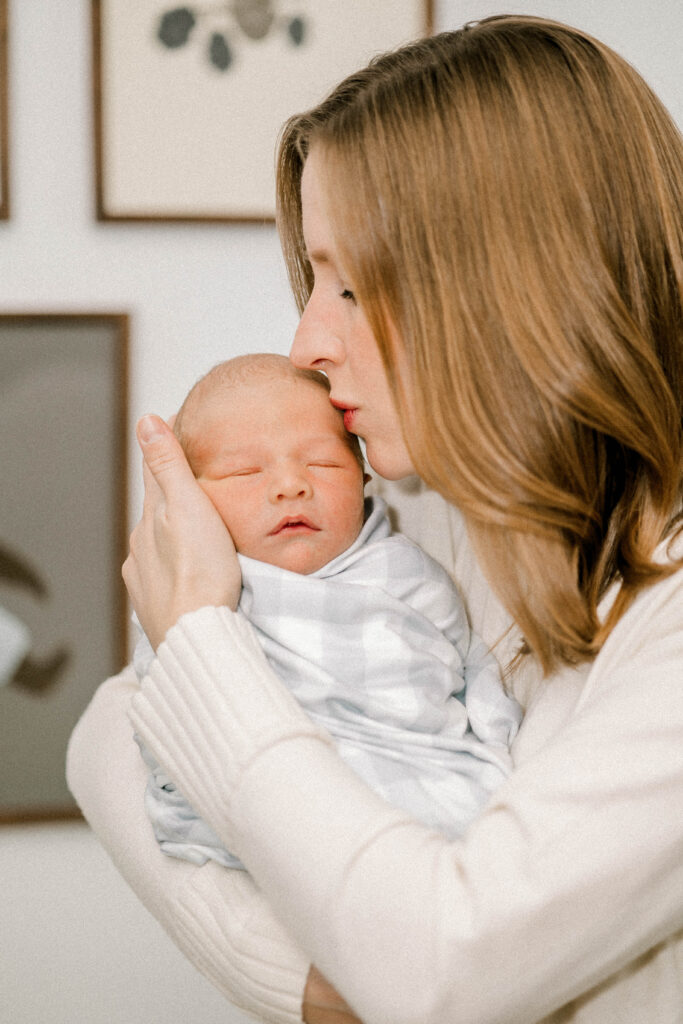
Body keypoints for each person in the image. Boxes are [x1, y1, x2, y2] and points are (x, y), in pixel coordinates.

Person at [67, 14, 683, 1024]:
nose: (307, 341)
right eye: (314, 282)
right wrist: (315, 983)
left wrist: (199, 641)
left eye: (353, 285)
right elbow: (109, 732)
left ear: (519, 284)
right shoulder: (421, 518)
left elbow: (441, 965)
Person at [134, 353, 521, 869]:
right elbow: (167, 706)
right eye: (245, 471)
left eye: (323, 463)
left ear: (365, 480)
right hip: (269, 799)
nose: (291, 485)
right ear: (188, 504)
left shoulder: (403, 571)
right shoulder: (182, 591)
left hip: (421, 778)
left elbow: (465, 670)